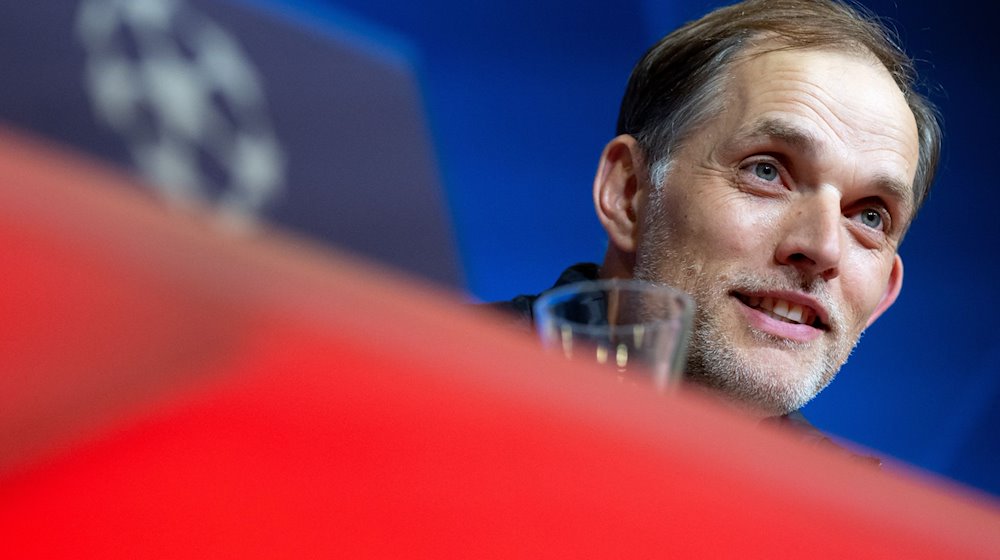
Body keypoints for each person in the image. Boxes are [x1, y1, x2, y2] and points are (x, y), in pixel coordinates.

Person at [494, 0, 941, 426]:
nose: (823, 247)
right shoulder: (434, 388)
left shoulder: (850, 505)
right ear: (629, 193)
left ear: (884, 293)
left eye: (869, 218)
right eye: (766, 171)